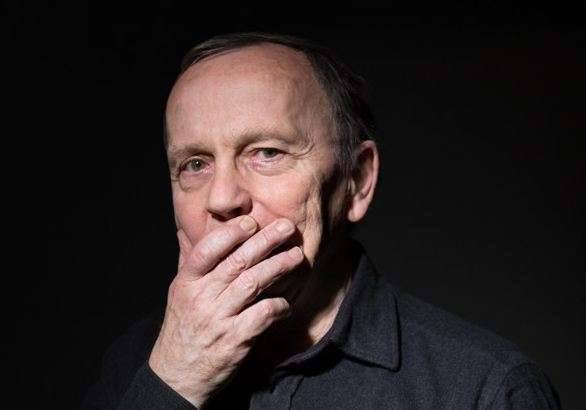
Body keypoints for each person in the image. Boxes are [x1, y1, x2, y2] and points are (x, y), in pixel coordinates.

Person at [83, 32, 560, 409]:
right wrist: (174, 381)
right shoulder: (137, 362)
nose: (222, 199)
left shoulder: (486, 388)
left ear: (357, 181)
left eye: (267, 152)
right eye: (194, 164)